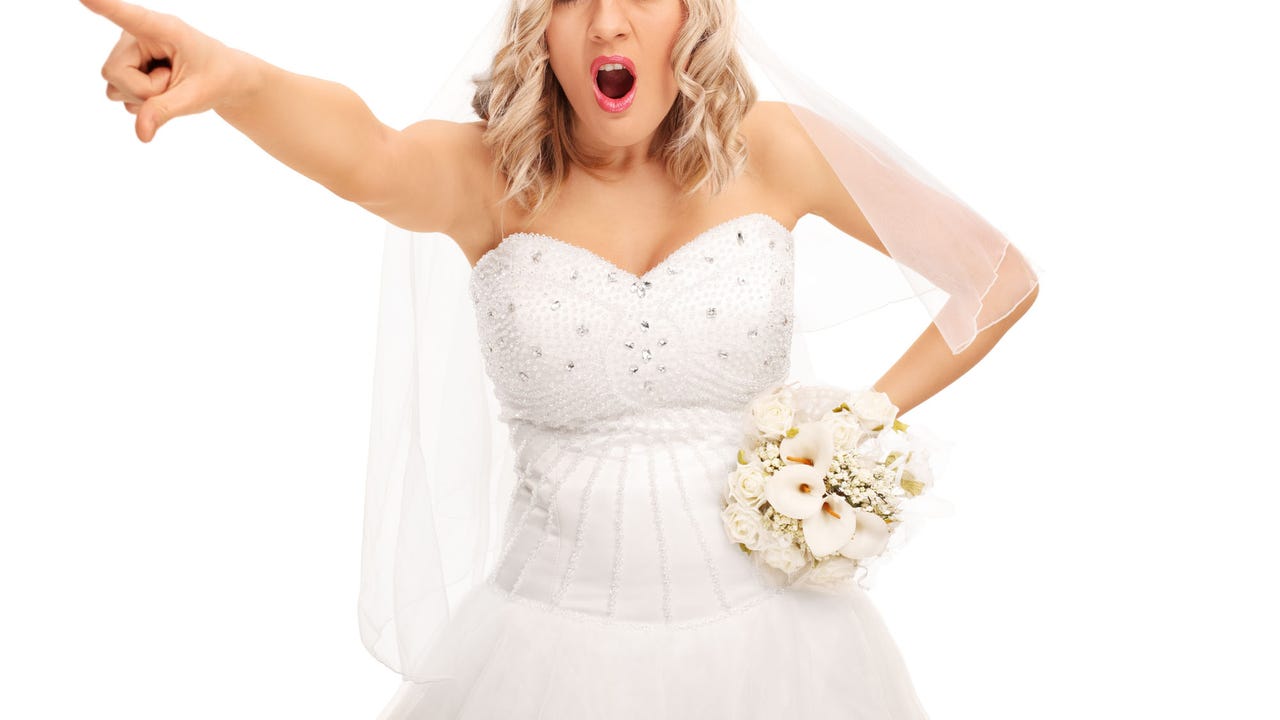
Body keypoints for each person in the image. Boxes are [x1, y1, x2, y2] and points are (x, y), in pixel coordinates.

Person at [83, 0, 1039, 716]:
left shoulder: (777, 147)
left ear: (693, 17)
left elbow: (998, 279)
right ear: (539, 23)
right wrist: (235, 78)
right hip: (543, 655)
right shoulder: (485, 175)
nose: (609, 21)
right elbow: (366, 151)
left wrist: (855, 423)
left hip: (783, 656)